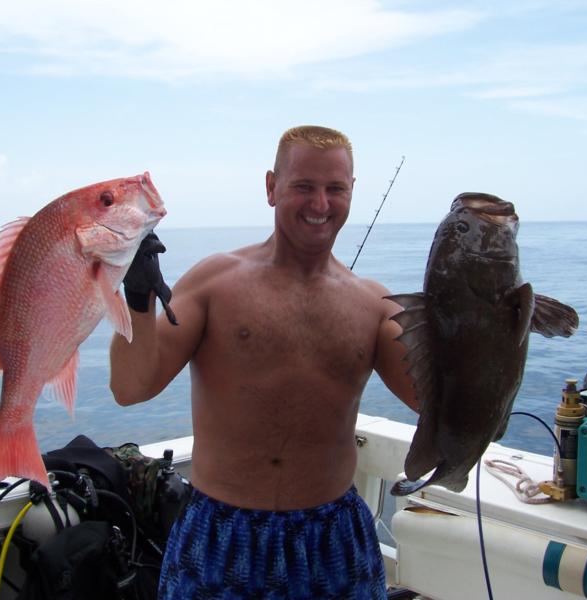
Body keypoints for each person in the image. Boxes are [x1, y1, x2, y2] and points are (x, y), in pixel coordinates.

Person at [110, 125, 418, 599]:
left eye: (335, 188)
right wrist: (135, 297)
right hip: (219, 532)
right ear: (272, 187)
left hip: (333, 535)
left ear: (352, 192)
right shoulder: (216, 282)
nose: (320, 204)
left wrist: (491, 321)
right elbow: (131, 387)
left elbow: (441, 405)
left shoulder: (375, 304)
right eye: (303, 187)